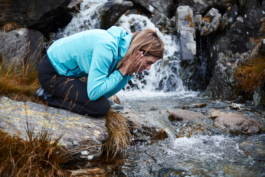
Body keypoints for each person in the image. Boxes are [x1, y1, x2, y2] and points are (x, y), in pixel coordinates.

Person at [37, 26, 164, 117]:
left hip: (67, 75)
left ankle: (54, 93)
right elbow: (94, 93)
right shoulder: (107, 47)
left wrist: (128, 72)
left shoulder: (122, 49)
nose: (148, 68)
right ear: (138, 52)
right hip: (52, 74)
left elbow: (105, 94)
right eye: (149, 63)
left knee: (102, 102)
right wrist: (122, 71)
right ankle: (49, 97)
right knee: (100, 108)